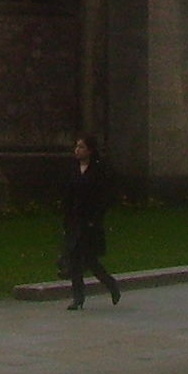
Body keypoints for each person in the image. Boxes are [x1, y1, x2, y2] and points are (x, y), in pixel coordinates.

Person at [60, 133, 121, 310]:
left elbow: (104, 197)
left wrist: (96, 218)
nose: (77, 150)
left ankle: (111, 285)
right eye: (76, 147)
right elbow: (68, 195)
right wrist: (66, 218)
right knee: (74, 260)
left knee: (90, 260)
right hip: (74, 220)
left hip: (90, 221)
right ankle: (78, 297)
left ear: (90, 150)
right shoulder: (73, 169)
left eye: (81, 147)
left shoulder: (99, 170)